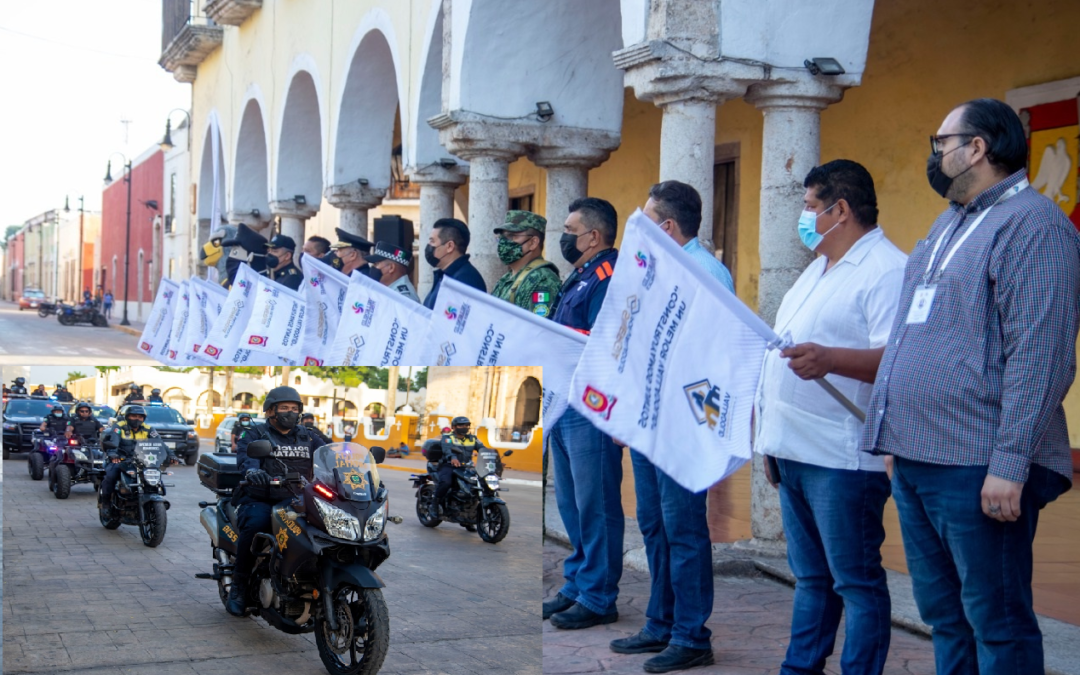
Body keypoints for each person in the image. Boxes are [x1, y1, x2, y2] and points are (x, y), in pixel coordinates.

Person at [861, 98, 1080, 675]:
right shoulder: (950, 222)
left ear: (976, 148)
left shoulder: (1035, 226)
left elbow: (1042, 353)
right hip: (918, 458)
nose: (935, 157)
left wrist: (1011, 461)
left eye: (941, 144)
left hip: (978, 462)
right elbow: (915, 329)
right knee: (944, 614)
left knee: (996, 621)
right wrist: (892, 438)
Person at [750, 162, 906, 675]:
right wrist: (772, 443)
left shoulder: (887, 269)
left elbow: (900, 356)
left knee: (855, 581)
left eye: (810, 207)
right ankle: (801, 667)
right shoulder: (816, 269)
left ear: (841, 210)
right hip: (793, 451)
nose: (804, 217)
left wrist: (833, 358)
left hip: (843, 459)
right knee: (812, 578)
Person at [605, 182, 737, 672]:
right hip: (648, 423)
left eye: (645, 220)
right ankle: (660, 623)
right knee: (655, 525)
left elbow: (711, 355)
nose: (638, 229)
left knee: (684, 529)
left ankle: (691, 634)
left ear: (667, 227)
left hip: (681, 424)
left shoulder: (707, 274)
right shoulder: (661, 269)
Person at [545, 198, 625, 631]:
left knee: (596, 505)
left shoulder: (607, 275)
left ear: (592, 236)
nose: (564, 236)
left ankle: (598, 596)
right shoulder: (581, 274)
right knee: (571, 502)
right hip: (564, 400)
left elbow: (601, 342)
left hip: (590, 406)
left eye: (568, 229)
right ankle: (576, 583)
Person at [228, 386, 326, 617]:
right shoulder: (254, 434)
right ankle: (239, 586)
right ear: (271, 411)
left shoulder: (309, 435)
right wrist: (253, 473)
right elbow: (246, 459)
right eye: (284, 408)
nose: (290, 413)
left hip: (300, 500)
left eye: (294, 408)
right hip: (262, 497)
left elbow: (331, 454)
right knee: (255, 526)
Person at [99, 405, 171, 518]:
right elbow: (113, 441)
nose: (137, 419)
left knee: (155, 476)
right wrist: (113, 453)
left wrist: (171, 456)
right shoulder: (119, 427)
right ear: (127, 417)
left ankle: (153, 498)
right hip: (121, 459)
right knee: (111, 476)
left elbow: (160, 443)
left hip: (142, 460)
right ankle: (105, 503)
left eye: (140, 417)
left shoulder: (148, 429)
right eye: (133, 416)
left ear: (143, 418)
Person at [490, 210, 562, 317]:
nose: (504, 242)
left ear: (533, 243)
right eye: (502, 237)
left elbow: (538, 329)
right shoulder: (506, 279)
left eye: (512, 236)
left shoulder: (543, 280)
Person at [421, 218, 487, 309]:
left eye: (432, 241)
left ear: (450, 246)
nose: (429, 246)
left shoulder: (465, 281)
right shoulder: (445, 276)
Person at [431, 416, 484, 517]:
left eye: (466, 425)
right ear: (454, 427)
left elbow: (483, 449)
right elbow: (447, 449)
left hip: (466, 467)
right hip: (449, 465)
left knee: (478, 484)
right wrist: (452, 458)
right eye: (461, 425)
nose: (464, 427)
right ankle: (435, 503)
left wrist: (494, 459)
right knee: (446, 482)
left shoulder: (473, 439)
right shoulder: (448, 438)